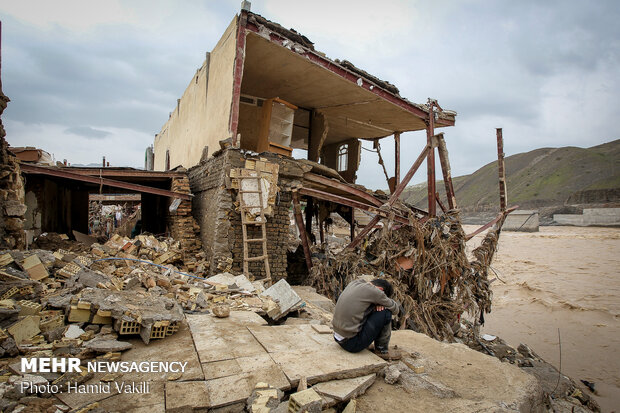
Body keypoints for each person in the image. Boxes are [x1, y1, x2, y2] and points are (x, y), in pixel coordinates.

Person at [332, 278, 401, 360]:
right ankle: (381, 351)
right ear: (380, 290)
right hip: (351, 344)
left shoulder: (355, 283)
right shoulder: (375, 292)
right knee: (386, 312)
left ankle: (366, 342)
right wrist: (382, 302)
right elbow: (396, 310)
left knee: (369, 308)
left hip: (337, 337)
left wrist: (377, 303)